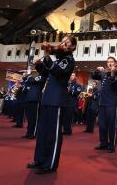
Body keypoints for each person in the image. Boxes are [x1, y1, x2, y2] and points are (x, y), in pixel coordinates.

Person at [27, 34, 77, 174]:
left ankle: (50, 164)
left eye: (67, 43)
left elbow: (56, 70)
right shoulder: (59, 59)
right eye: (62, 42)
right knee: (42, 132)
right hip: (47, 99)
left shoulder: (68, 60)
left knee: (53, 134)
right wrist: (39, 63)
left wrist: (47, 55)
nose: (63, 44)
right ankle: (40, 160)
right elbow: (47, 73)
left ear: (72, 47)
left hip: (57, 100)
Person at [92, 56, 117, 153]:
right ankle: (103, 143)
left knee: (112, 125)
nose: (110, 63)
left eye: (112, 62)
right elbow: (93, 76)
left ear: (115, 63)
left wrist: (112, 72)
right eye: (108, 62)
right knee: (102, 125)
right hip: (102, 103)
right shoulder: (104, 73)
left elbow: (114, 83)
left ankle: (112, 145)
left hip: (111, 104)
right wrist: (97, 70)